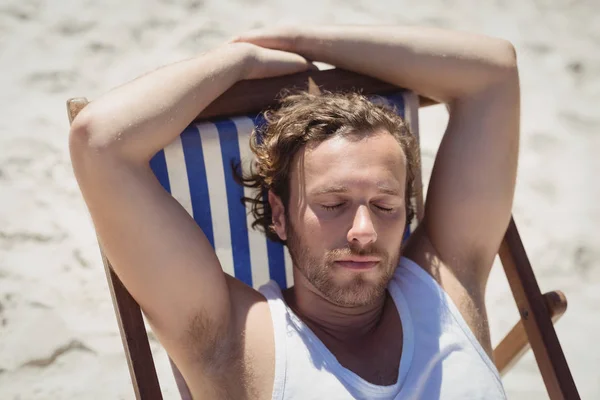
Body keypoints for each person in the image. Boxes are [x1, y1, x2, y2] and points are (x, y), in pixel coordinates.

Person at [69, 25, 519, 399]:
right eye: (333, 205)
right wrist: (240, 60)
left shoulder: (445, 281)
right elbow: (101, 144)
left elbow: (493, 74)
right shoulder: (235, 343)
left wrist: (303, 41)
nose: (364, 231)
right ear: (280, 215)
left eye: (384, 205)